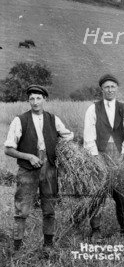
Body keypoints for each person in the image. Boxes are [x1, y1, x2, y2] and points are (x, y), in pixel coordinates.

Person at [4, 85, 74, 252]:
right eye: (32, 99)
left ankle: (48, 246)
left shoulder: (53, 119)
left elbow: (68, 135)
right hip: (27, 170)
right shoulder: (19, 120)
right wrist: (29, 156)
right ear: (28, 100)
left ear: (45, 100)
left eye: (38, 98)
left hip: (49, 168)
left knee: (49, 209)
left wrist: (59, 145)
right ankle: (17, 247)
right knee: (22, 210)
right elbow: (8, 149)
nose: (35, 102)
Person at [83, 74, 124, 240]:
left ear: (117, 88)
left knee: (122, 194)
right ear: (102, 89)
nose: (110, 89)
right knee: (96, 194)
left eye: (113, 86)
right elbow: (88, 135)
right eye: (107, 87)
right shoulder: (93, 109)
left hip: (119, 155)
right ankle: (96, 230)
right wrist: (95, 157)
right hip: (99, 154)